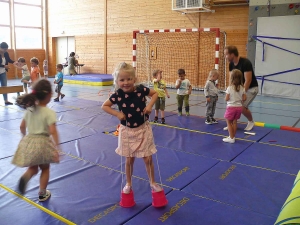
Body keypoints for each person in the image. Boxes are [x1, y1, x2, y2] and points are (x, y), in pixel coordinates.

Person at [101, 62, 163, 194]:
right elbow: (104, 106)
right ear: (117, 81)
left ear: (134, 79)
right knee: (129, 159)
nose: (126, 82)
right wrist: (117, 113)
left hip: (143, 128)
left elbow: (155, 94)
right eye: (122, 80)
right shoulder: (117, 95)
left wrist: (150, 106)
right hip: (127, 131)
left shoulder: (140, 90)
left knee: (148, 158)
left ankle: (152, 182)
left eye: (129, 79)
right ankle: (128, 183)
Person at [11, 79, 60, 201]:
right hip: (43, 143)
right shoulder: (49, 112)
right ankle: (42, 193)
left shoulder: (29, 110)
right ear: (49, 95)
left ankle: (25, 177)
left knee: (32, 168)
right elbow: (53, 130)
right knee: (45, 168)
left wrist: (24, 137)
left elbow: (22, 126)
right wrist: (57, 145)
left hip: (30, 141)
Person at [224, 45, 258, 131]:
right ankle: (231, 124)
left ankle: (251, 121)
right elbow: (231, 79)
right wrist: (230, 91)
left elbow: (248, 80)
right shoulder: (231, 64)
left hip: (251, 88)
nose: (225, 57)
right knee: (232, 104)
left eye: (226, 54)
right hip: (238, 89)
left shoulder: (245, 63)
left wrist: (241, 94)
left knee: (241, 106)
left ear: (232, 54)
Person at [223, 69, 247, 143]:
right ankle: (232, 136)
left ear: (232, 78)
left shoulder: (230, 88)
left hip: (231, 107)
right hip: (239, 107)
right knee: (235, 122)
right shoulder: (242, 88)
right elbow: (244, 98)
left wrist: (226, 98)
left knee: (228, 122)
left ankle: (231, 138)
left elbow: (227, 98)